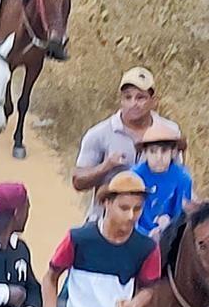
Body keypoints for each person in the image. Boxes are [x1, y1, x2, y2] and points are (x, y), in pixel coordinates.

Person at [37, 171, 182, 307]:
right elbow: (50, 278)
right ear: (106, 203)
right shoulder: (78, 239)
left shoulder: (147, 247)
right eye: (124, 208)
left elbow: (149, 288)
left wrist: (134, 304)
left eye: (137, 209)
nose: (131, 216)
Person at [74, 68, 181, 223]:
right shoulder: (99, 134)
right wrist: (106, 166)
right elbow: (78, 181)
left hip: (153, 223)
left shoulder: (169, 132)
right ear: (121, 100)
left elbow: (178, 177)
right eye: (128, 97)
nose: (133, 104)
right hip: (106, 221)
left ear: (154, 101)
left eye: (140, 97)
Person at [129, 122, 193, 237]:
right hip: (137, 235)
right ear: (145, 153)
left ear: (173, 152)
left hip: (170, 235)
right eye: (153, 151)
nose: (159, 157)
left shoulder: (183, 178)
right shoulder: (134, 176)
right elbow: (129, 214)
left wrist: (168, 226)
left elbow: (182, 215)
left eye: (164, 151)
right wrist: (146, 234)